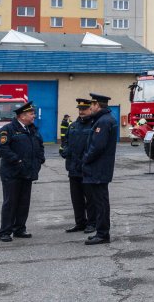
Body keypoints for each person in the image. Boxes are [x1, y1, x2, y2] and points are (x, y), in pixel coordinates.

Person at [0, 101, 45, 243]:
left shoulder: (32, 129)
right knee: (10, 203)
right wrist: (17, 161)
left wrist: (40, 159)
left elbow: (39, 145)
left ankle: (19, 229)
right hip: (12, 174)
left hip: (28, 172)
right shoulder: (8, 129)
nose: (34, 116)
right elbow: (2, 148)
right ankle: (5, 232)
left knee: (24, 202)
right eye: (31, 114)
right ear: (22, 116)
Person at [81, 93, 117, 245]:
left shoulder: (103, 121)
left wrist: (85, 159)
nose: (90, 108)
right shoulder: (104, 119)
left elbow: (97, 146)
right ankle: (101, 231)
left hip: (98, 168)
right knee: (99, 201)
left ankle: (103, 234)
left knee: (101, 202)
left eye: (91, 105)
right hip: (100, 168)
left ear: (97, 105)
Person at [60, 99, 95, 234]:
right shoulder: (73, 125)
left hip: (87, 168)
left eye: (84, 109)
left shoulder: (93, 125)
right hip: (73, 168)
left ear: (90, 109)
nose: (81, 112)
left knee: (90, 198)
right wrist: (65, 151)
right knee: (76, 198)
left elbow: (94, 146)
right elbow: (66, 141)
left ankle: (92, 223)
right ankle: (80, 222)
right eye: (79, 109)